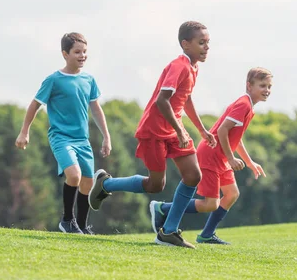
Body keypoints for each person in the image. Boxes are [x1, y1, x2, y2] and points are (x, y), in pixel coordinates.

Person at [88, 21, 216, 248]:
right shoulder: (179, 66)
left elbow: (184, 99)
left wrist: (201, 130)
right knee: (156, 185)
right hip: (155, 130)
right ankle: (106, 184)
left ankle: (168, 232)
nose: (206, 47)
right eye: (201, 43)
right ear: (185, 44)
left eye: (208, 43)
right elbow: (162, 100)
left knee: (193, 176)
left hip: (174, 129)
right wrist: (179, 130)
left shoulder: (194, 67)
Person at [150, 67, 273, 245]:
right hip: (211, 155)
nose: (267, 90)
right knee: (210, 204)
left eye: (269, 86)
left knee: (231, 194)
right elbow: (223, 130)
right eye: (262, 85)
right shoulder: (244, 104)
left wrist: (250, 162)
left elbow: (235, 138)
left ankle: (207, 235)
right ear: (249, 86)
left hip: (221, 158)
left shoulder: (249, 107)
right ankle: (163, 208)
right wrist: (231, 159)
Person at [15, 32, 111, 235]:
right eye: (77, 52)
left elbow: (96, 108)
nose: (82, 55)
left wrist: (106, 136)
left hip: (82, 139)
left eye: (85, 52)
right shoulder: (54, 80)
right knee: (74, 176)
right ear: (65, 54)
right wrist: (25, 132)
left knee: (87, 181)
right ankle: (67, 220)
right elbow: (35, 105)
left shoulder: (88, 79)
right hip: (61, 137)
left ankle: (83, 226)